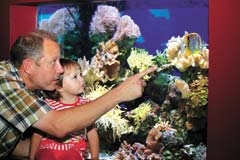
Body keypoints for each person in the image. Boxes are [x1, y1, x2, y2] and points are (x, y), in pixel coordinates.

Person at [0, 29, 156, 159]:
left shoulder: (31, 88)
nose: (60, 69)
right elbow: (57, 125)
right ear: (29, 66)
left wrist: (67, 149)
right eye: (53, 62)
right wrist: (120, 93)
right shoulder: (4, 82)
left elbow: (7, 143)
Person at [29, 58, 99, 160]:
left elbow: (92, 132)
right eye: (75, 77)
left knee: (70, 155)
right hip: (49, 147)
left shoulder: (85, 105)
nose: (81, 79)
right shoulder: (48, 105)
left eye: (80, 75)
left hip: (74, 150)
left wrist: (95, 157)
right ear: (59, 87)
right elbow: (37, 134)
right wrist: (31, 157)